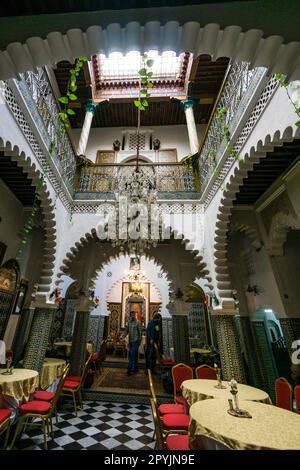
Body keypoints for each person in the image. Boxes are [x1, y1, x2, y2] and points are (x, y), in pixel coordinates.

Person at [125, 311, 142, 376]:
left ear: (135, 315)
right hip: (130, 341)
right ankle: (136, 368)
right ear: (130, 315)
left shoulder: (138, 322)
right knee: (134, 355)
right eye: (131, 315)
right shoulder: (128, 322)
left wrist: (139, 341)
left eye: (133, 315)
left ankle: (129, 370)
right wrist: (123, 336)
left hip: (136, 340)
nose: (132, 316)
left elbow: (140, 332)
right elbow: (126, 331)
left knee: (132, 355)